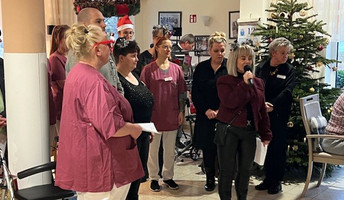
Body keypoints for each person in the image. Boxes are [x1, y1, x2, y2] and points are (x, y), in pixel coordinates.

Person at [55, 24, 143, 199]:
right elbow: (111, 126)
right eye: (108, 44)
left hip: (87, 159)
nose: (111, 49)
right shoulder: (93, 81)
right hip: (102, 165)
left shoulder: (77, 73)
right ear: (97, 49)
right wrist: (135, 129)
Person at [216, 44, 272, 200]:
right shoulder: (224, 81)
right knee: (227, 171)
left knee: (245, 171)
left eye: (250, 58)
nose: (247, 61)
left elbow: (261, 109)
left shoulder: (258, 82)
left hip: (249, 131)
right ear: (235, 60)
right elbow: (230, 102)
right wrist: (244, 84)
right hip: (229, 131)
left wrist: (266, 133)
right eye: (243, 58)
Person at [140, 36, 187, 192]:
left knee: (169, 150)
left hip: (172, 114)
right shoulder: (148, 70)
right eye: (165, 47)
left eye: (170, 47)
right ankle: (153, 178)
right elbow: (143, 94)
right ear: (157, 47)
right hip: (154, 116)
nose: (168, 50)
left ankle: (168, 176)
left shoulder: (177, 69)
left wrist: (181, 111)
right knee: (153, 151)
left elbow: (182, 92)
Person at [114, 37, 154, 200]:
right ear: (121, 57)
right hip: (129, 137)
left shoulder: (135, 76)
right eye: (133, 56)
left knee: (138, 179)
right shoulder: (117, 81)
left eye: (137, 55)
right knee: (128, 184)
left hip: (143, 134)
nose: (137, 59)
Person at [255, 37, 295, 194]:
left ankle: (276, 180)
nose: (286, 56)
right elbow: (256, 86)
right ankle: (267, 178)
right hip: (262, 113)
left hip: (278, 114)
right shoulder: (261, 67)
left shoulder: (289, 70)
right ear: (273, 52)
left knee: (277, 148)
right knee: (266, 146)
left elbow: (287, 91)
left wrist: (272, 105)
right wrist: (261, 105)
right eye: (283, 53)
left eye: (287, 53)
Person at [191, 31, 228, 191]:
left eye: (222, 50)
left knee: (225, 149)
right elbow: (196, 92)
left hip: (225, 115)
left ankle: (225, 179)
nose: (219, 54)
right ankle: (210, 178)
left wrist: (221, 110)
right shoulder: (201, 68)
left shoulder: (229, 66)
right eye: (216, 50)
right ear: (209, 50)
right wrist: (206, 110)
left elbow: (233, 93)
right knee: (208, 149)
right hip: (205, 115)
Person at [65, 7, 123, 95]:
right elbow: (84, 90)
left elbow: (114, 77)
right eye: (98, 21)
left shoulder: (103, 46)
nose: (104, 25)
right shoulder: (78, 52)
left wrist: (119, 99)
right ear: (84, 25)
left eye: (103, 21)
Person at [49, 25, 70, 134]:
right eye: (66, 37)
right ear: (58, 39)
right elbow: (64, 84)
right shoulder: (55, 58)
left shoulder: (70, 57)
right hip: (62, 106)